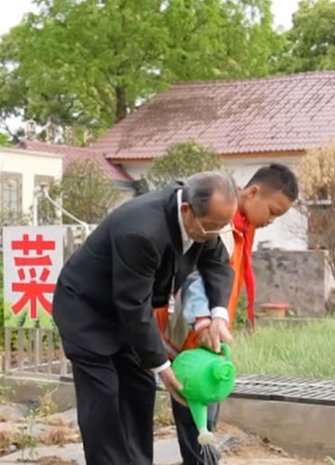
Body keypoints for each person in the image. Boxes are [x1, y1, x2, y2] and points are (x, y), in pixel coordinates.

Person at [52, 171, 239, 465]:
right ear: (186, 209)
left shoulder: (204, 225)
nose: (213, 235)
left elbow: (217, 264)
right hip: (87, 309)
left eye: (221, 227)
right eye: (210, 227)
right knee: (104, 397)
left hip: (128, 310)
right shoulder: (141, 231)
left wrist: (217, 316)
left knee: (139, 388)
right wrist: (163, 367)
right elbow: (133, 305)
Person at [160, 163, 299, 465]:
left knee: (205, 418)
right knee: (198, 420)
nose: (271, 220)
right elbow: (195, 278)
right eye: (273, 211)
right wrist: (203, 322)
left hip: (211, 333)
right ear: (253, 192)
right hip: (194, 336)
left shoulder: (243, 227)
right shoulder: (219, 223)